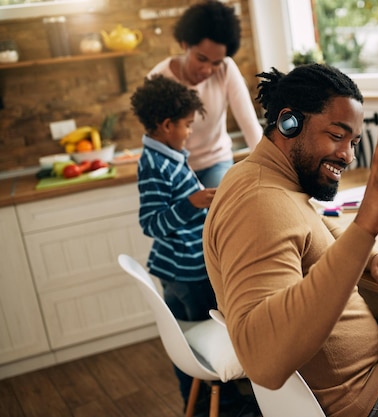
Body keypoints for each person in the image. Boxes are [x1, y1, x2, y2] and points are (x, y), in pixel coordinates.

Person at [203, 63, 378, 417]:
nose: (347, 154)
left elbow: (315, 232)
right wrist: (365, 228)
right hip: (366, 396)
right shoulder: (259, 206)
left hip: (368, 360)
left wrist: (372, 255)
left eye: (354, 141)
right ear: (289, 122)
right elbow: (262, 360)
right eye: (336, 135)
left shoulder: (266, 179)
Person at [130, 75, 251, 416]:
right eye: (186, 125)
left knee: (189, 346)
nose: (189, 132)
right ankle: (223, 407)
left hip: (182, 270)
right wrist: (192, 204)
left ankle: (198, 406)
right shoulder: (154, 165)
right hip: (187, 274)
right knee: (204, 349)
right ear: (166, 125)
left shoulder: (170, 155)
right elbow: (151, 223)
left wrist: (207, 203)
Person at [148, 0, 262, 189]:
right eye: (201, 58)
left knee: (224, 209)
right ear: (185, 45)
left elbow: (250, 125)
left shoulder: (226, 69)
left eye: (216, 62)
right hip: (176, 169)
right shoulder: (158, 79)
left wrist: (270, 170)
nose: (207, 70)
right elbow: (157, 143)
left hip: (217, 163)